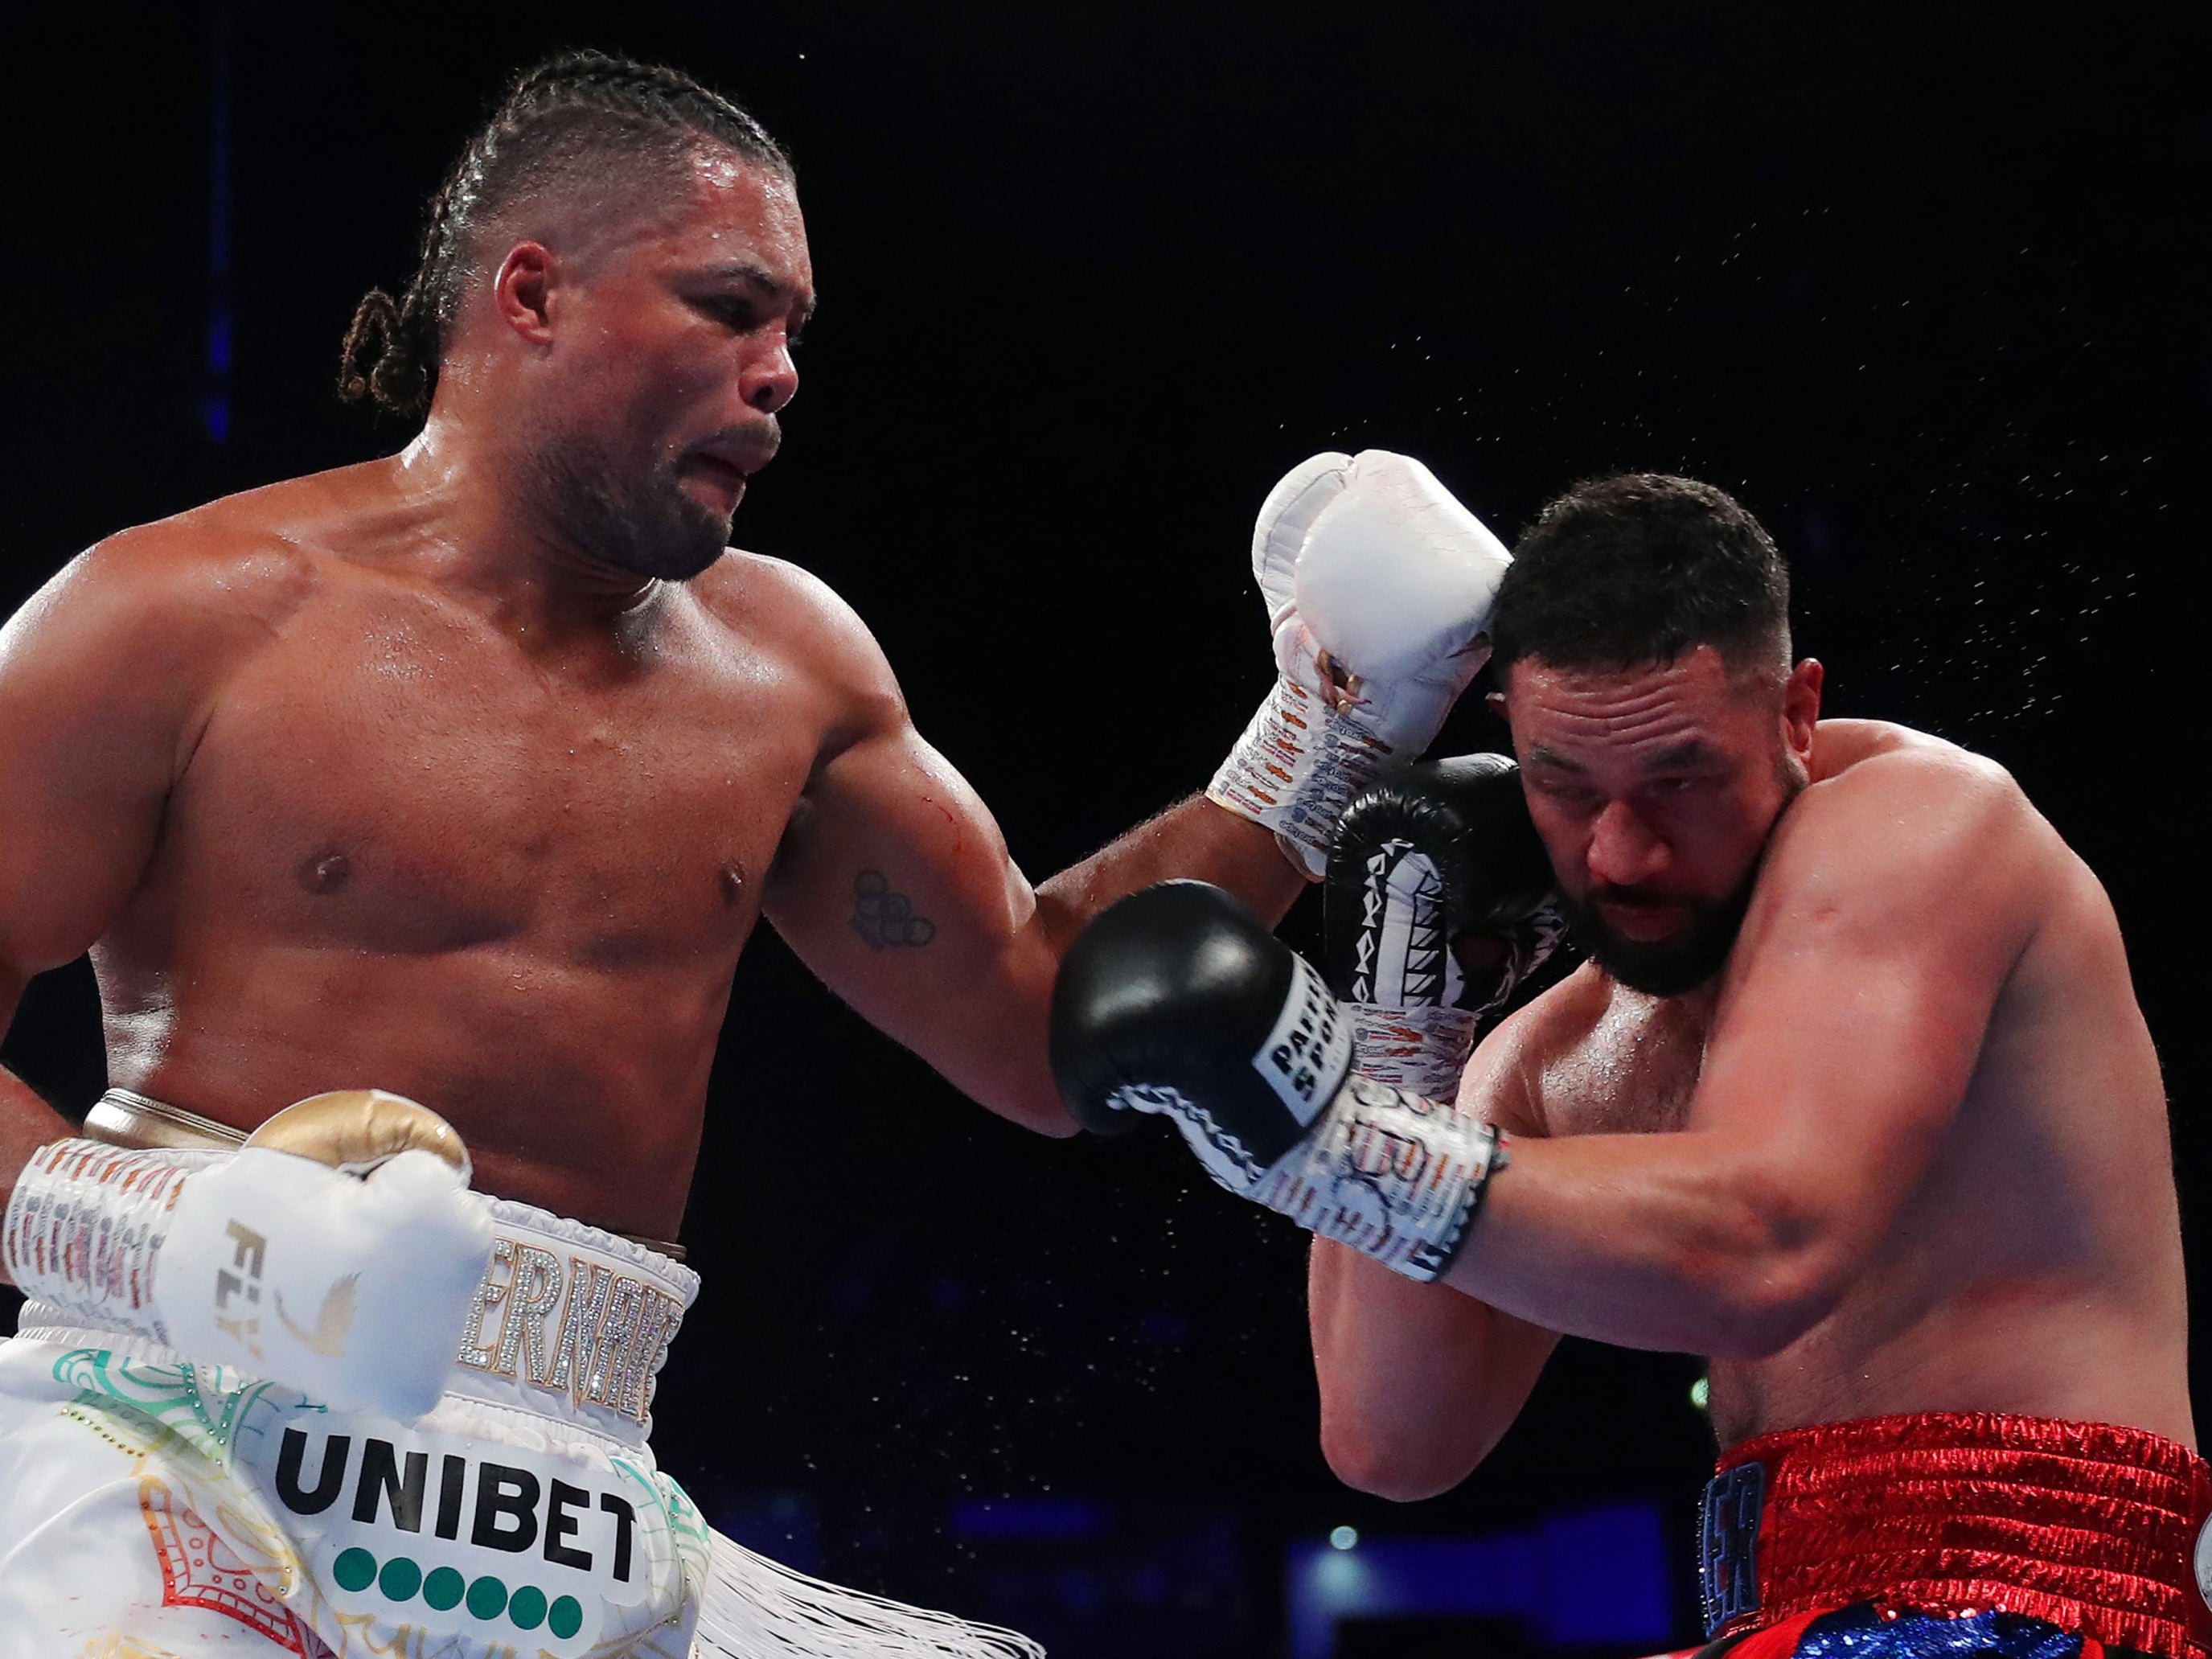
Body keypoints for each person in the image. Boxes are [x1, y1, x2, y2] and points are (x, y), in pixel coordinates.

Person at [0, 49, 1517, 1659]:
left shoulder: (786, 668)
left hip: (575, 1480)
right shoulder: (173, 618)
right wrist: (169, 1233)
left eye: (793, 327)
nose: (781, 371)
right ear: (534, 295)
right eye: (730, 309)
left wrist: (1324, 732)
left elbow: (1036, 1025)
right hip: (177, 1434)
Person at [1050, 474, 2204, 1658]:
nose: (1622, 850)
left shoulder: (1919, 826)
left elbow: (1769, 1246)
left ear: (1796, 715)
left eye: (1680, 780)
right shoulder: (1566, 1045)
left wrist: (1325, 1142)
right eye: (1566, 786)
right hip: (1781, 1616)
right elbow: (1393, 1436)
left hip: (2038, 1608)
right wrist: (1403, 1033)